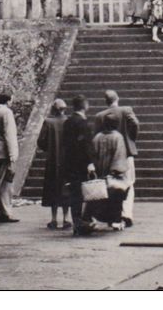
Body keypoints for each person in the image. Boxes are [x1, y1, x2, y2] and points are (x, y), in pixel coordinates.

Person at [94, 90, 139, 227]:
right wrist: (130, 140)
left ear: (106, 101)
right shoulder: (126, 110)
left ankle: (109, 214)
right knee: (128, 184)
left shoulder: (99, 116)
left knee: (108, 185)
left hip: (105, 156)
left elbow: (97, 134)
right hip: (125, 154)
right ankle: (126, 214)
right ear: (117, 98)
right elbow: (135, 124)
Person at [84, 111, 130, 231]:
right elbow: (119, 157)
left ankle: (93, 218)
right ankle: (114, 221)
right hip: (112, 175)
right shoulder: (117, 137)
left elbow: (92, 155)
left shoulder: (97, 137)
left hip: (100, 174)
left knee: (97, 198)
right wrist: (115, 171)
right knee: (116, 197)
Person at [62, 95, 96, 237]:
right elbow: (85, 145)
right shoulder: (83, 123)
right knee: (83, 194)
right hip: (81, 164)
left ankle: (77, 222)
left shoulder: (68, 122)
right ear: (85, 105)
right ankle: (82, 223)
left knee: (74, 194)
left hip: (70, 163)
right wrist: (90, 162)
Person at [37, 99, 70, 229]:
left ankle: (54, 219)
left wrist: (49, 148)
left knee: (53, 189)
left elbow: (41, 141)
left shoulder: (48, 122)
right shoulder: (68, 122)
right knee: (66, 189)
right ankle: (66, 218)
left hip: (52, 161)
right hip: (67, 160)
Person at [0, 91, 20, 223]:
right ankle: (6, 212)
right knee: (6, 183)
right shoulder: (7, 113)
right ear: (8, 100)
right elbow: (10, 134)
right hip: (6, 151)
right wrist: (13, 155)